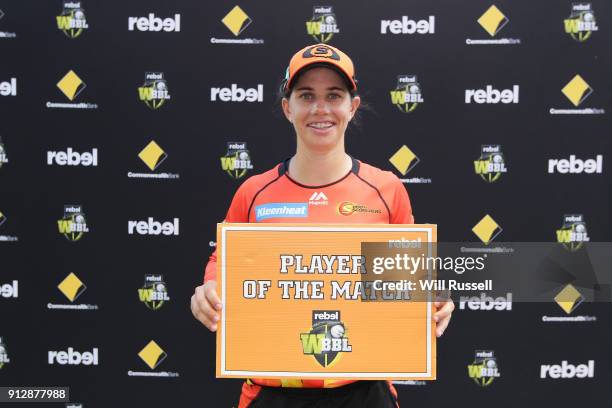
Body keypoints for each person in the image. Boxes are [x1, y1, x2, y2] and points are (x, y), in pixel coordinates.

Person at [191, 43, 455, 408]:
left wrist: (433, 301)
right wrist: (209, 291)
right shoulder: (254, 192)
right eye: (306, 95)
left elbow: (409, 281)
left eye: (334, 95)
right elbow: (223, 263)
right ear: (288, 107)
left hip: (364, 390)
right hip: (272, 391)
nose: (320, 109)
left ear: (352, 106)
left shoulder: (386, 189)